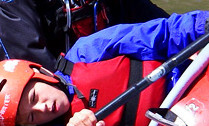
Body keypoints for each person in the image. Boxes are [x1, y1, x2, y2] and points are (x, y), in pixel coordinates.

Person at [0, 5, 209, 126]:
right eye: (32, 117)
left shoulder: (87, 52)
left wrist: (208, 24)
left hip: (195, 84)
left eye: (34, 99)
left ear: (41, 73)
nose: (43, 109)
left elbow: (159, 34)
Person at [0, 0, 170, 72]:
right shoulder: (11, 6)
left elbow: (158, 22)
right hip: (54, 95)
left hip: (100, 79)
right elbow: (33, 67)